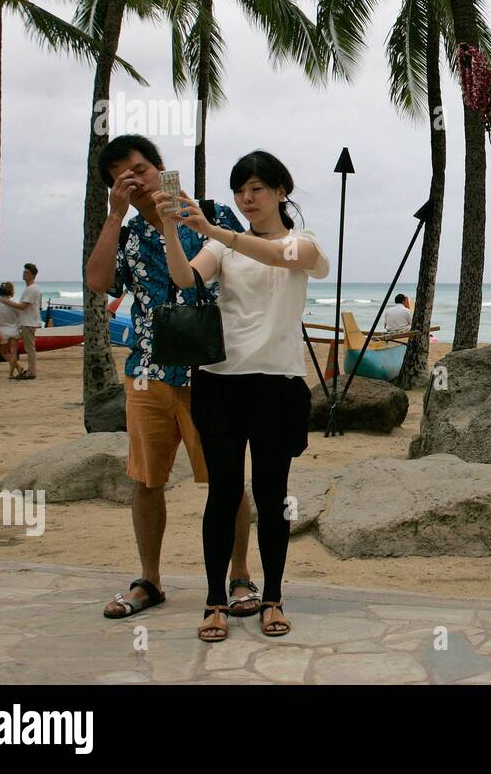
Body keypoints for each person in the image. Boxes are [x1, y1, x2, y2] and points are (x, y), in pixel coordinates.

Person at [154, 150, 329, 643]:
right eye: (240, 190)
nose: (247, 198)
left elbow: (278, 257)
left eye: (257, 188)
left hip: (277, 385)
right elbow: (185, 279)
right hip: (220, 381)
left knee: (273, 497)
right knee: (224, 494)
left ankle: (272, 597)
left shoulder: (304, 244)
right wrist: (172, 229)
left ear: (280, 192)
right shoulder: (223, 247)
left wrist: (214, 230)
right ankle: (214, 602)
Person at [85, 134, 261, 621]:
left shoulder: (211, 215)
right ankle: (150, 580)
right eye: (122, 176)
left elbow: (248, 271)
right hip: (148, 371)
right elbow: (99, 283)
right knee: (146, 481)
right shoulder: (124, 235)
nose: (134, 179)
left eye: (140, 168)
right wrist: (115, 215)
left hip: (213, 370)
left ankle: (240, 576)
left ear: (161, 168)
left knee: (227, 481)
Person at [0, 264, 42, 379]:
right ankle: (30, 370)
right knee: (29, 347)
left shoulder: (32, 289)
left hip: (29, 322)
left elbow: (23, 306)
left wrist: (5, 301)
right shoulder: (32, 288)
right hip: (28, 321)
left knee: (29, 347)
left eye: (26, 272)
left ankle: (32, 372)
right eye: (24, 272)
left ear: (32, 275)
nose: (24, 274)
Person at [0, 282, 24, 379]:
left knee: (4, 353)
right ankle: (12, 373)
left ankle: (17, 368)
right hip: (14, 330)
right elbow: (20, 315)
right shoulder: (14, 303)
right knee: (13, 353)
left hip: (2, 331)